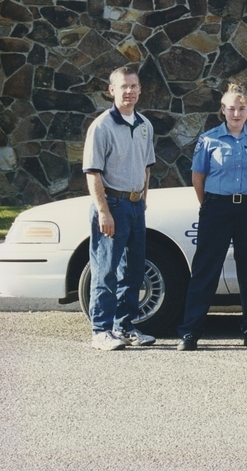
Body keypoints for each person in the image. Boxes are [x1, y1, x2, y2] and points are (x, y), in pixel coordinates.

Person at [177, 84, 247, 351]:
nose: (236, 113)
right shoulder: (209, 140)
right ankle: (190, 331)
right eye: (231, 108)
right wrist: (209, 204)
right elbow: (198, 177)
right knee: (205, 269)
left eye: (242, 108)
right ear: (223, 110)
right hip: (217, 207)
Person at [82, 66, 156, 351]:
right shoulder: (101, 126)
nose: (129, 92)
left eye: (134, 86)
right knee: (106, 270)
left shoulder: (144, 125)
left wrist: (143, 200)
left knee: (133, 271)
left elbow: (146, 168)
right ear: (111, 90)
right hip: (112, 204)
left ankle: (123, 326)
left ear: (140, 90)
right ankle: (100, 330)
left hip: (136, 206)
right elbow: (93, 173)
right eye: (123, 87)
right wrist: (103, 211)